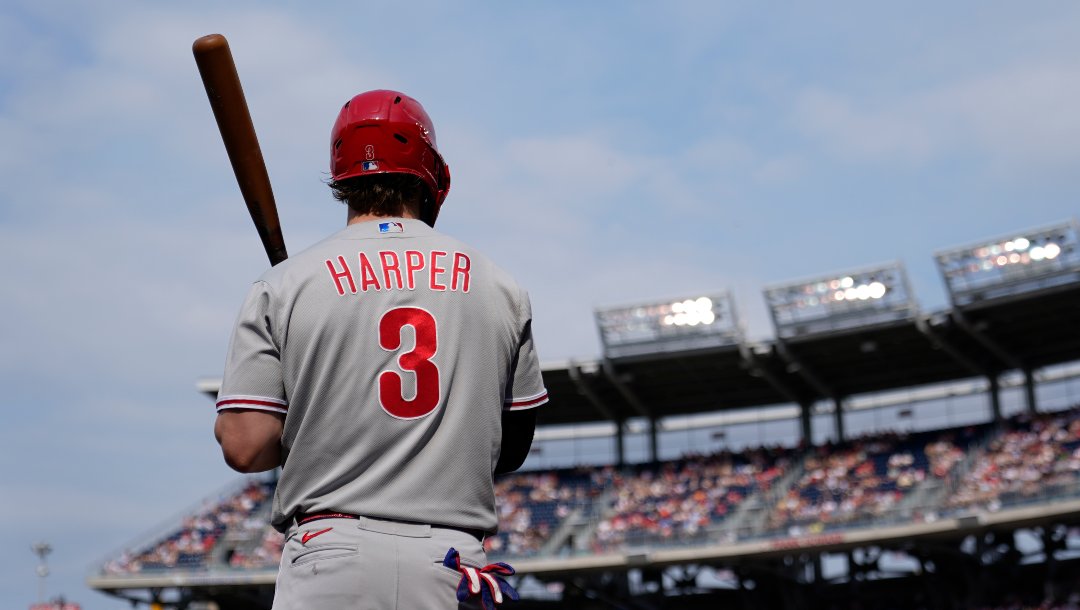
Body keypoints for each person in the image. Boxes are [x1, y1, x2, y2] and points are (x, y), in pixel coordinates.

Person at [213, 89, 547, 609]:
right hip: (451, 562)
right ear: (431, 176)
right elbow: (514, 445)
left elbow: (244, 444)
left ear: (341, 179)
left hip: (329, 555)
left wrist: (320, 417)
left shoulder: (285, 283)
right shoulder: (500, 285)